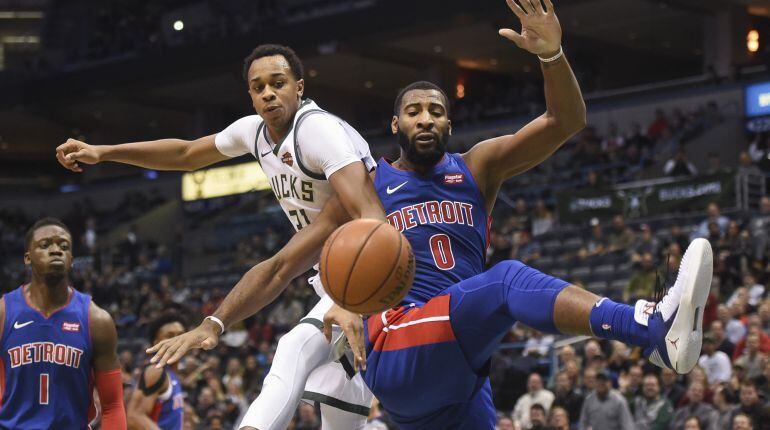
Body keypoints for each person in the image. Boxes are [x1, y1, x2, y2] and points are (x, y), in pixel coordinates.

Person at [152, 1, 713, 427]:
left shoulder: (479, 168)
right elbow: (279, 268)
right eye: (413, 111)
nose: (425, 119)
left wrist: (551, 56)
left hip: (460, 372)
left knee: (492, 295)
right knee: (507, 280)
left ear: (449, 124)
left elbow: (565, 121)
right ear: (394, 126)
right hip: (397, 345)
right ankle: (650, 330)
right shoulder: (366, 189)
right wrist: (214, 322)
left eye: (436, 112)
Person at [56, 44, 384, 428]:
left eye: (278, 83)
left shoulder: (318, 132)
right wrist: (103, 152)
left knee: (294, 347)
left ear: (299, 86)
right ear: (249, 94)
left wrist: (352, 299)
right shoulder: (255, 132)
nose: (268, 94)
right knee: (343, 415)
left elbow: (373, 218)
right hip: (336, 274)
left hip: (375, 271)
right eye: (258, 86)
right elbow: (185, 153)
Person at [0, 218, 126, 428]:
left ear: (71, 259)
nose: (56, 250)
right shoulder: (4, 313)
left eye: (63, 246)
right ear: (27, 258)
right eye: (45, 245)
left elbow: (112, 405)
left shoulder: (97, 320)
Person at [127, 312, 187, 429]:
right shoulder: (156, 371)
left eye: (181, 335)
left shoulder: (173, 374)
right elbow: (134, 417)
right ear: (155, 342)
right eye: (170, 335)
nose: (177, 340)